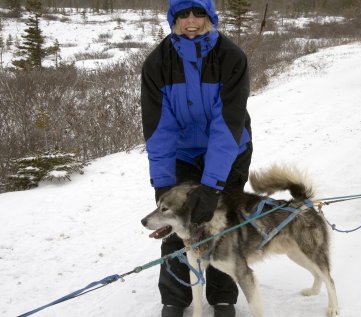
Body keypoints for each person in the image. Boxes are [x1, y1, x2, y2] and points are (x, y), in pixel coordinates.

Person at [141, 1, 252, 316]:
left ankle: (223, 297)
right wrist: (163, 185)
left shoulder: (231, 58)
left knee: (224, 221)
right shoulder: (157, 64)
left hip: (230, 147)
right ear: (173, 19)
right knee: (178, 221)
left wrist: (213, 184)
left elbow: (226, 124)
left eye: (198, 13)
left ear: (210, 17)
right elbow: (159, 129)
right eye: (183, 14)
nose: (191, 21)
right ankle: (175, 298)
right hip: (182, 152)